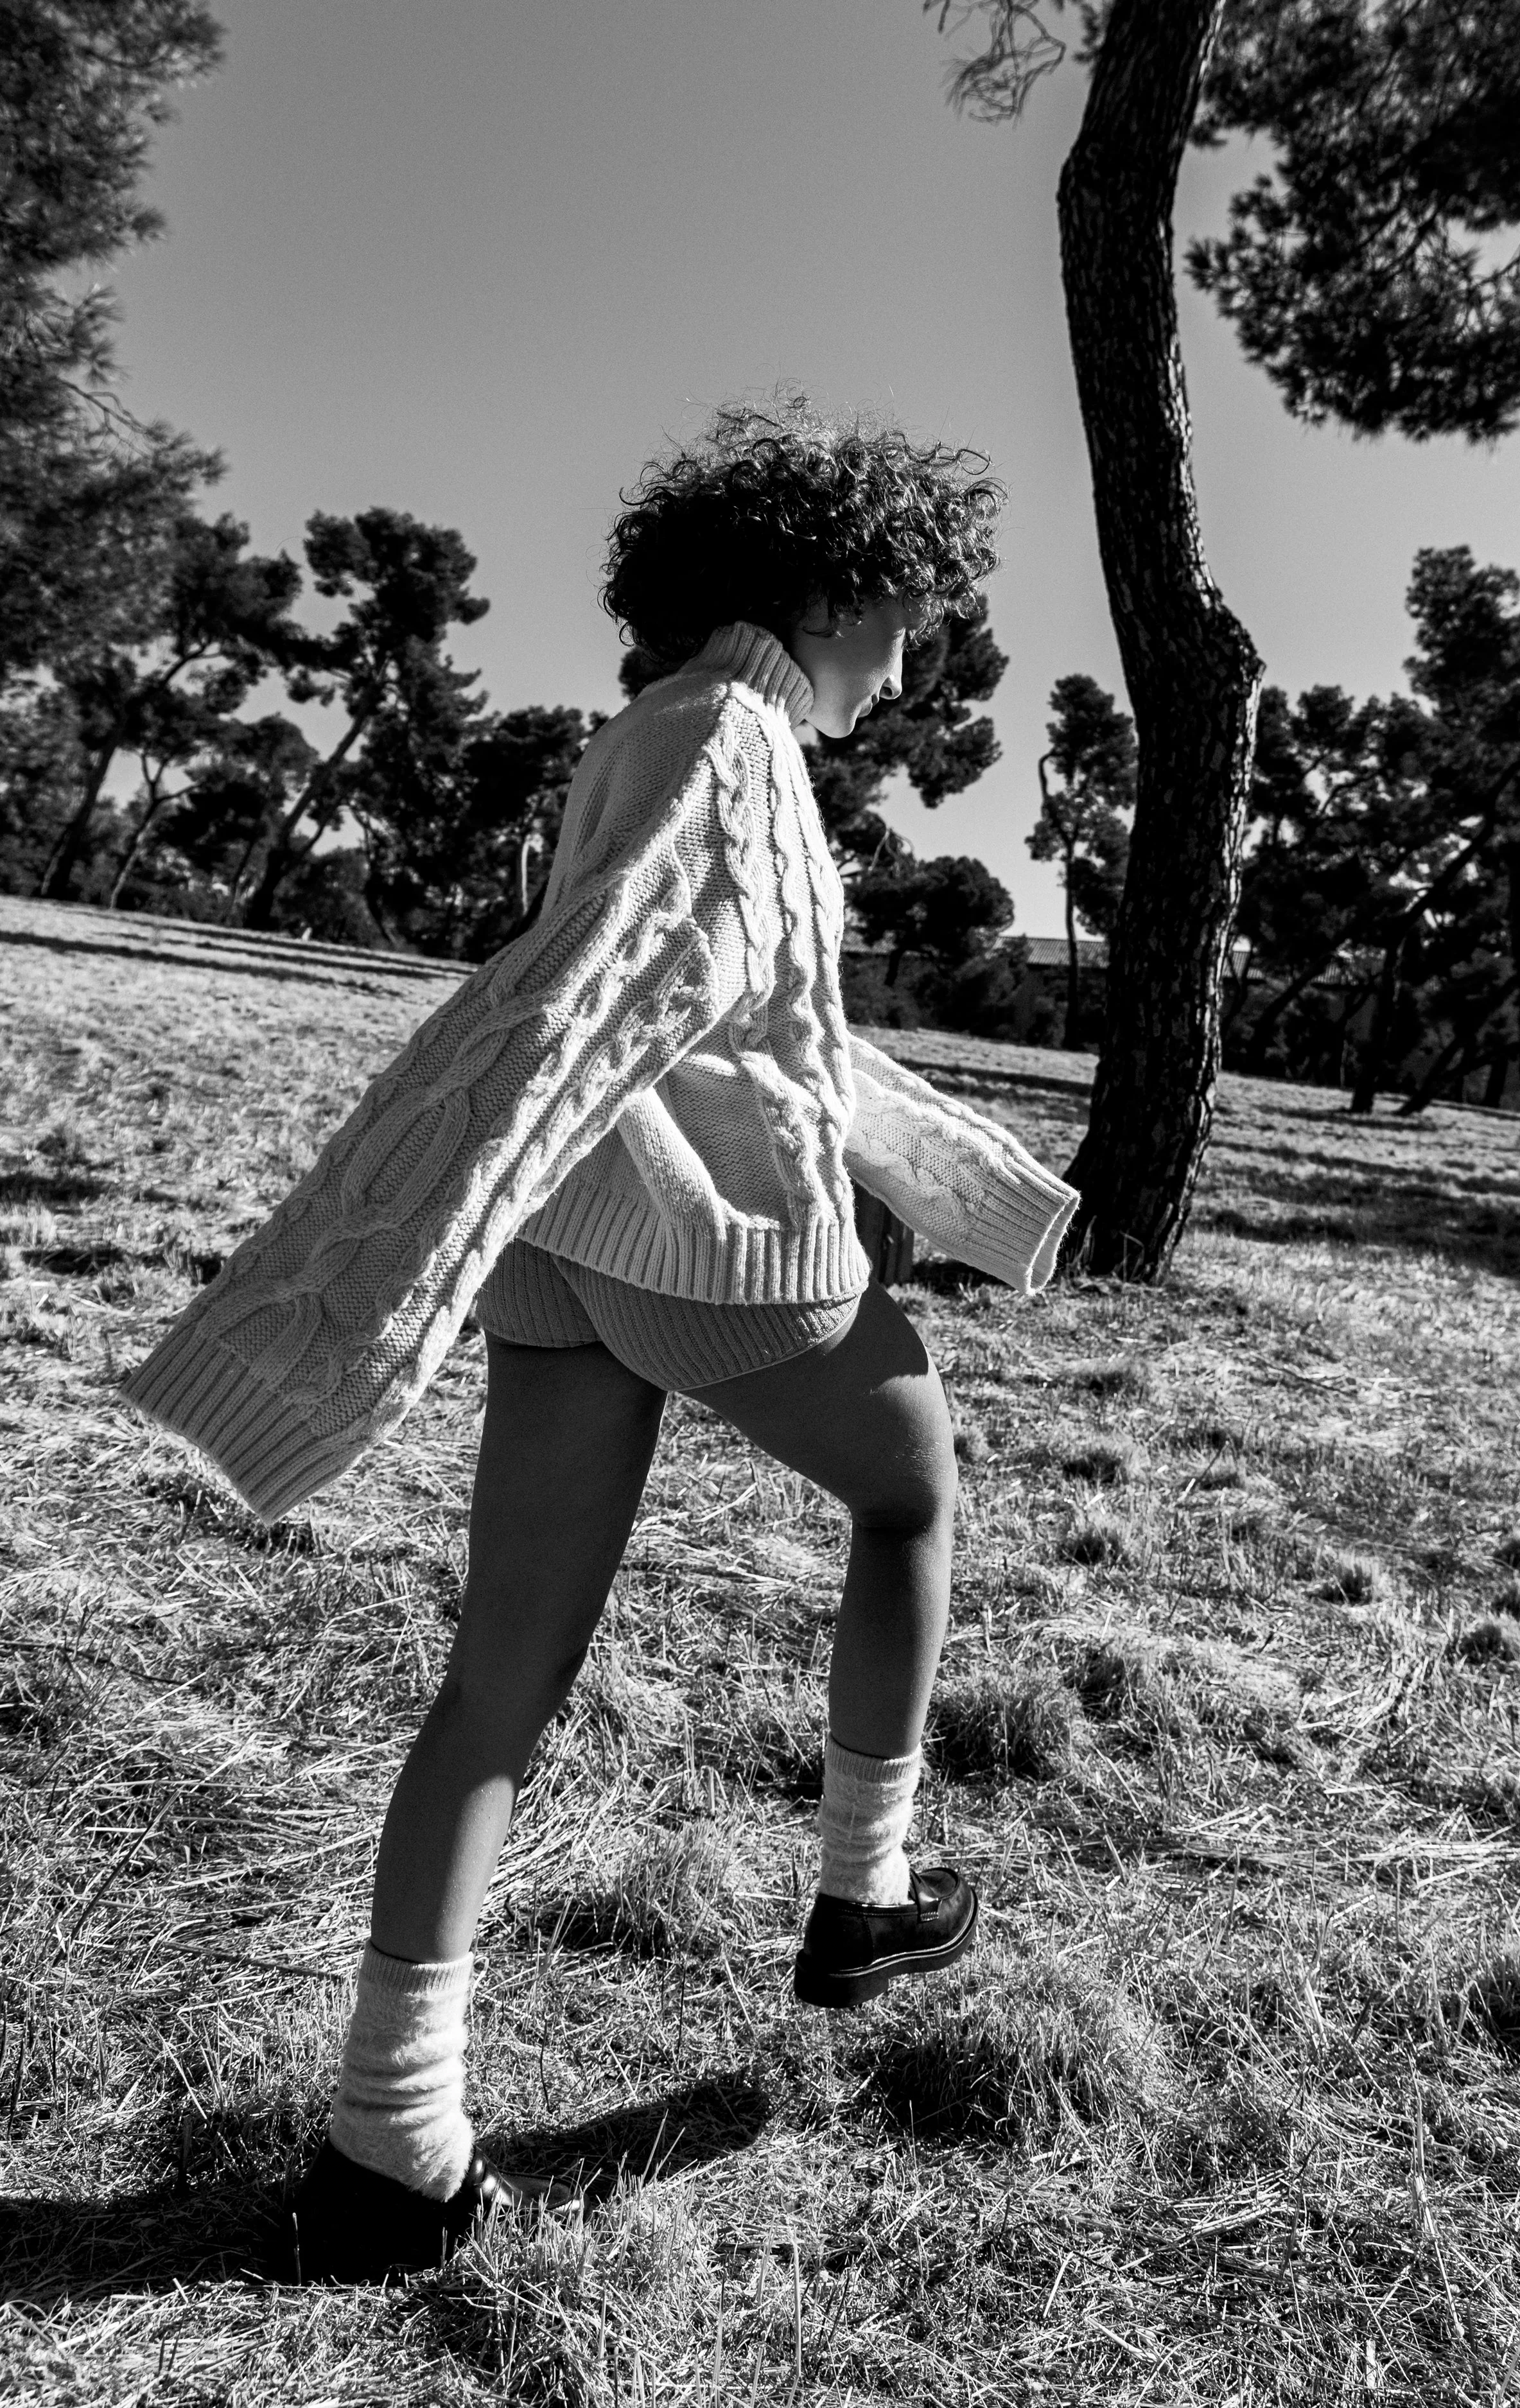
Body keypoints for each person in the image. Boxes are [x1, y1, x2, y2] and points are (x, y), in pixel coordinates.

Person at [122, 385, 1078, 2283]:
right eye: (914, 609)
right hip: (699, 1242)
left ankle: (388, 2145)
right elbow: (583, 993)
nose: (920, 655)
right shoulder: (728, 739)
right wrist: (403, 1214)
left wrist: (945, 1172)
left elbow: (726, 1009)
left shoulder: (663, 727)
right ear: (833, 579)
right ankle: (867, 1889)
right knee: (916, 1500)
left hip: (576, 1250)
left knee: (502, 1686)